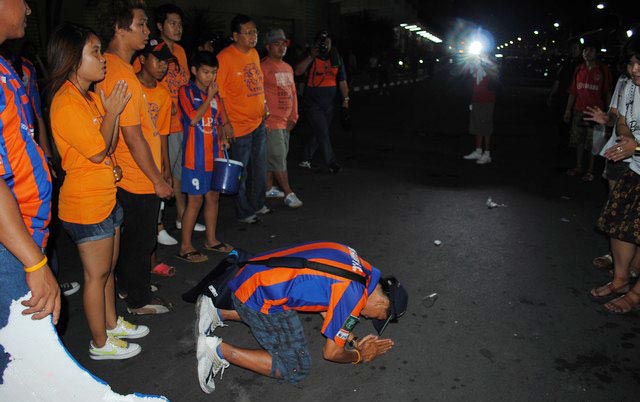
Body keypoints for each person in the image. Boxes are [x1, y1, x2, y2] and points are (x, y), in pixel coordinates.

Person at [48, 22, 149, 360]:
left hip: (105, 195)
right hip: (86, 204)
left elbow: (107, 145)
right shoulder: (66, 102)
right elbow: (96, 151)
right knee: (96, 276)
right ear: (73, 59)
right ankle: (100, 343)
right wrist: (113, 112)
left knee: (108, 270)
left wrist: (111, 115)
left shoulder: (88, 97)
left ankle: (111, 323)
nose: (102, 58)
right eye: (94, 52)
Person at [193, 241, 408, 393]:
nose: (369, 318)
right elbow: (331, 353)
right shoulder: (354, 294)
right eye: (378, 317)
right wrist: (359, 355)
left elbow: (329, 304)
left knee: (290, 311)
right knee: (295, 367)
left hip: (254, 274)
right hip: (258, 296)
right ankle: (217, 350)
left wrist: (351, 340)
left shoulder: (361, 269)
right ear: (381, 303)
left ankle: (217, 312)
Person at [96, 0, 173, 315]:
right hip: (135, 176)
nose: (147, 31)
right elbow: (133, 135)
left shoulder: (117, 67)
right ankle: (138, 300)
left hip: (127, 172)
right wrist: (157, 180)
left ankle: (130, 285)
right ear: (119, 27)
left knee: (131, 241)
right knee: (140, 241)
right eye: (141, 24)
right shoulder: (120, 73)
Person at [0, 0, 59, 379]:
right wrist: (34, 263)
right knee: (19, 369)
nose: (28, 8)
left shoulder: (5, 68)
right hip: (10, 247)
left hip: (23, 238)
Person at [589, 37, 640, 313]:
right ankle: (620, 280)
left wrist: (637, 146)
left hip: (636, 157)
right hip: (635, 168)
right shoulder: (629, 86)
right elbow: (621, 118)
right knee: (617, 223)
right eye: (632, 63)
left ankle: (634, 295)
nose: (635, 69)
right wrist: (626, 138)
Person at [176, 51, 233, 263]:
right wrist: (209, 97)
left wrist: (224, 138)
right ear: (194, 70)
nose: (210, 77)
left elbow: (219, 122)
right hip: (195, 158)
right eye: (206, 72)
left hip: (214, 156)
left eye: (213, 72)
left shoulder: (216, 95)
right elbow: (192, 119)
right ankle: (185, 246)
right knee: (195, 200)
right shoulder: (186, 91)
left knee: (213, 197)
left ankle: (211, 240)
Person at [152, 3, 204, 233]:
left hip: (183, 123)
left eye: (180, 24)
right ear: (159, 25)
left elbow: (184, 85)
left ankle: (182, 217)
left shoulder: (181, 52)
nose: (178, 28)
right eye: (172, 23)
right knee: (164, 173)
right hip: (164, 126)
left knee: (180, 174)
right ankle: (158, 225)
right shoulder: (153, 52)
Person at [216, 14, 269, 224]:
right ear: (235, 36)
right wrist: (225, 123)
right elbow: (219, 95)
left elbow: (258, 83)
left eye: (254, 32)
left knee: (260, 167)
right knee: (241, 171)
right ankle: (243, 210)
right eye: (247, 33)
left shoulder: (254, 54)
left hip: (258, 121)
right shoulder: (225, 58)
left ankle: (257, 203)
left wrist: (264, 105)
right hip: (238, 125)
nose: (253, 36)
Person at [135, 38, 177, 278]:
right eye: (158, 60)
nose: (163, 66)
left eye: (166, 62)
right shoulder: (130, 86)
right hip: (132, 166)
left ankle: (151, 264)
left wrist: (166, 168)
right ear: (142, 59)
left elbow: (163, 134)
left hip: (153, 165)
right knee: (133, 225)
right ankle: (133, 273)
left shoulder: (162, 93)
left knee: (152, 218)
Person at [295, 30, 349, 174]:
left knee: (319, 131)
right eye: (321, 42)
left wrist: (346, 100)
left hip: (329, 103)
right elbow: (298, 71)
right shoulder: (310, 56)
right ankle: (331, 162)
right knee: (323, 131)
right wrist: (311, 57)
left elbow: (342, 81)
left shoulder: (336, 58)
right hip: (313, 102)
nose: (324, 45)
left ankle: (306, 159)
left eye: (327, 42)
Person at [261, 29, 302, 208]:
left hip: (286, 122)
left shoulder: (288, 67)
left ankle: (268, 187)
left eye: (283, 44)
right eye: (276, 44)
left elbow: (293, 93)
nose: (281, 47)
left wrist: (294, 116)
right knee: (278, 158)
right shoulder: (262, 67)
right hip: (272, 122)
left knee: (275, 156)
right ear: (268, 47)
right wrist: (263, 119)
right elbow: (257, 95)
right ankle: (288, 193)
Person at [564, 40, 612, 182]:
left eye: (591, 50)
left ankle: (590, 170)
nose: (587, 53)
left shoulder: (603, 70)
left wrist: (609, 113)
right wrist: (568, 110)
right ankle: (579, 167)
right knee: (578, 140)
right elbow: (573, 92)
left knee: (593, 143)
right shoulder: (579, 69)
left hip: (595, 113)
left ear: (596, 53)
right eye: (585, 50)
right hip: (579, 110)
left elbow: (607, 93)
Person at [462, 53, 499, 165]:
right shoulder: (476, 68)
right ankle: (478, 151)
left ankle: (487, 154)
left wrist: (485, 62)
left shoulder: (491, 67)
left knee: (485, 127)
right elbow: (468, 75)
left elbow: (494, 76)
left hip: (486, 101)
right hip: (476, 100)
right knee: (477, 126)